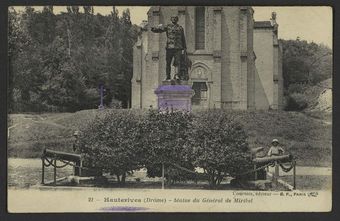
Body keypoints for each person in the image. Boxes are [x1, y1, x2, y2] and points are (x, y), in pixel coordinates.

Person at [151, 16, 187, 80]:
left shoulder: (180, 28)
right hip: (169, 48)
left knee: (177, 62)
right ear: (171, 19)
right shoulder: (168, 27)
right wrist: (154, 29)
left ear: (177, 20)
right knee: (168, 63)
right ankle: (168, 76)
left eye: (175, 18)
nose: (174, 19)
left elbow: (183, 38)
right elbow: (160, 30)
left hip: (178, 48)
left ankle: (176, 75)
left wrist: (184, 48)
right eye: (173, 18)